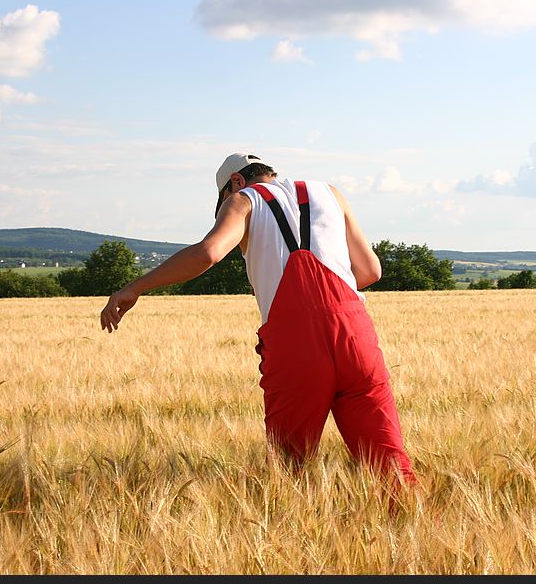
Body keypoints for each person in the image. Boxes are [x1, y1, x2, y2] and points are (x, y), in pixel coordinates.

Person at [100, 153, 418, 488]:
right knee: (389, 466)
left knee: (289, 472)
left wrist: (134, 287)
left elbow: (208, 252)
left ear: (236, 181)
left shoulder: (242, 200)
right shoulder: (330, 192)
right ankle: (412, 524)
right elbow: (371, 271)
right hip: (356, 337)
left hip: (296, 347)